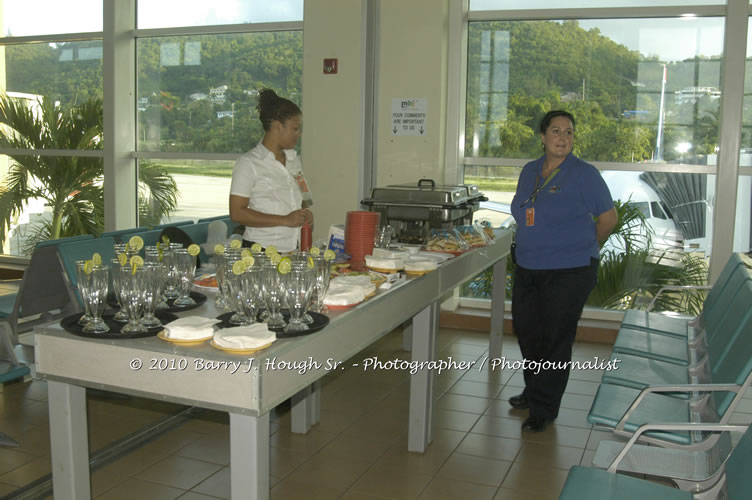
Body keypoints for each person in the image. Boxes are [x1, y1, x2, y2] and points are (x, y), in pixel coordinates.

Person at [509, 110, 618, 432]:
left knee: (556, 338)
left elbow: (608, 219)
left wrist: (582, 246)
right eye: (555, 131)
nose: (562, 138)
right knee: (528, 333)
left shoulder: (584, 174)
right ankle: (535, 388)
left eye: (568, 132)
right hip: (528, 265)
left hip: (570, 270)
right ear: (542, 137)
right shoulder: (530, 171)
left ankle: (544, 408)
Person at [229, 88, 313, 253]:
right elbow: (237, 213)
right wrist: (285, 220)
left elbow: (304, 197)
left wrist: (306, 214)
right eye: (295, 129)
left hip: (292, 248)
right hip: (261, 250)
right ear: (277, 126)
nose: (299, 134)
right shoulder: (248, 163)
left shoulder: (294, 160)